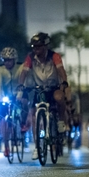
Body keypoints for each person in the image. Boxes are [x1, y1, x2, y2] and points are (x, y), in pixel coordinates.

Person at [17, 32, 71, 160]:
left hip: (53, 87)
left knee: (59, 98)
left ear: (46, 46)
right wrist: (20, 85)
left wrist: (64, 81)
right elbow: (24, 72)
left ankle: (61, 122)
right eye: (34, 47)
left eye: (39, 47)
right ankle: (37, 147)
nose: (36, 49)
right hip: (39, 89)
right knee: (34, 116)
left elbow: (61, 70)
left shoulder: (54, 56)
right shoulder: (30, 57)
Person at [0, 47, 22, 157]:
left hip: (18, 94)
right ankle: (6, 146)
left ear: (14, 60)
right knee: (3, 120)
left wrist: (20, 95)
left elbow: (22, 82)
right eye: (5, 60)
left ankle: (21, 126)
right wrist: (0, 98)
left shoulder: (20, 67)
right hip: (5, 96)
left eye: (9, 60)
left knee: (22, 107)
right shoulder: (0, 68)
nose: (7, 62)